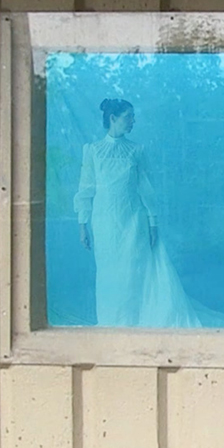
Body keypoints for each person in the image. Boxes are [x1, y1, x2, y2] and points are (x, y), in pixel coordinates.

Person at [74, 98, 203, 328]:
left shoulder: (136, 151)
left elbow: (146, 190)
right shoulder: (92, 151)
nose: (133, 121)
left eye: (133, 117)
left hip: (133, 222)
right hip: (104, 224)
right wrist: (82, 224)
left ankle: (135, 322)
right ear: (113, 118)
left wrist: (152, 223)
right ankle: (113, 323)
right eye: (128, 117)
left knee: (133, 274)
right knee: (109, 275)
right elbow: (86, 189)